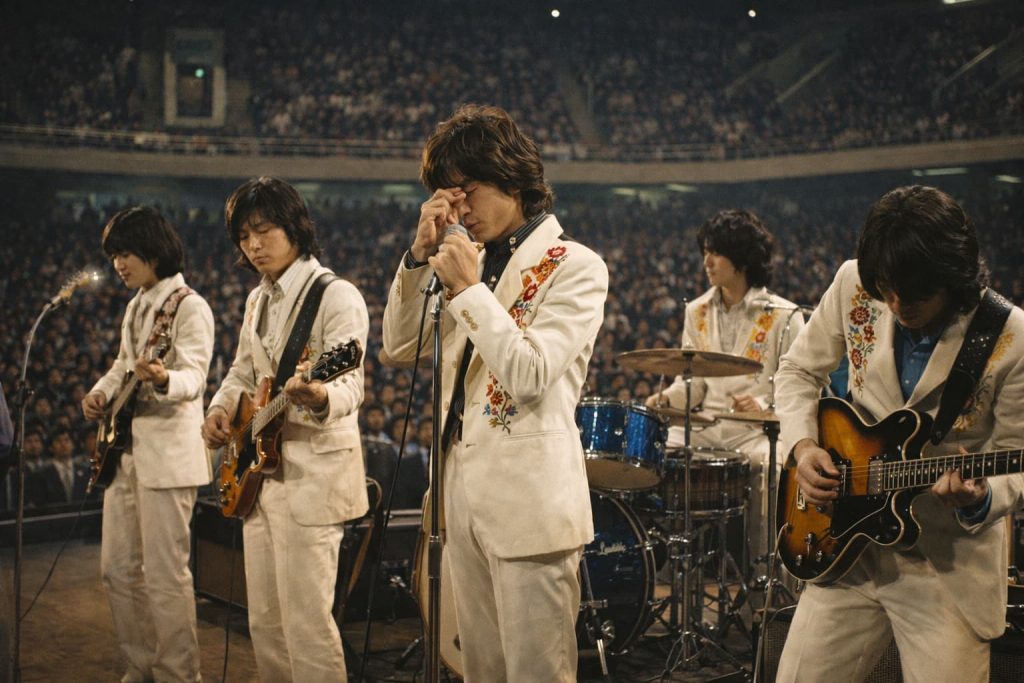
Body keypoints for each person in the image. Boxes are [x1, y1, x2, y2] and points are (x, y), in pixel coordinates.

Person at [382, 104, 608, 681]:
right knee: (481, 669)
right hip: (461, 493)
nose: (458, 209)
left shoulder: (574, 264)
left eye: (468, 191)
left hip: (531, 503)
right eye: (447, 196)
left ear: (512, 179)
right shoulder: (469, 260)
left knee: (537, 672)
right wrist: (417, 257)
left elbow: (530, 373)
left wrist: (468, 288)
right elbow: (400, 346)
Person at [774, 185, 1024, 682]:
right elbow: (797, 371)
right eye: (886, 290)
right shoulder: (853, 281)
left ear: (953, 278)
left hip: (947, 565)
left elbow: (1016, 458)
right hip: (847, 547)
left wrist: (981, 497)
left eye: (913, 295)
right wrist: (803, 446)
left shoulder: (1011, 336)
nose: (895, 304)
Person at [201, 176, 369, 682]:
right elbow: (243, 371)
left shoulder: (336, 295)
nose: (253, 245)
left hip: (313, 479)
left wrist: (320, 396)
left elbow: (351, 382)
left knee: (307, 626)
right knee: (266, 623)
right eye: (243, 236)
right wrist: (221, 408)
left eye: (264, 230)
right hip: (259, 477)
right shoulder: (258, 299)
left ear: (294, 228)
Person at [81, 206, 214, 683]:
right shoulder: (136, 304)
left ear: (153, 251)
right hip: (125, 453)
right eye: (113, 256)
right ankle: (141, 665)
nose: (118, 264)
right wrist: (100, 392)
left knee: (165, 575)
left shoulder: (190, 305)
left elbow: (195, 376)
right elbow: (123, 364)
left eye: (125, 253)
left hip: (169, 458)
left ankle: (179, 673)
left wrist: (163, 379)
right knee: (116, 571)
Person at [646, 209, 805, 566]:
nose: (707, 261)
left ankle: (764, 570)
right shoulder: (697, 311)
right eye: (705, 251)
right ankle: (666, 563)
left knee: (768, 465)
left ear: (741, 259)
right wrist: (667, 399)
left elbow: (799, 385)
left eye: (716, 252)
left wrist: (763, 403)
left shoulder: (785, 315)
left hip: (756, 432)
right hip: (708, 426)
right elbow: (694, 383)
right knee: (653, 452)